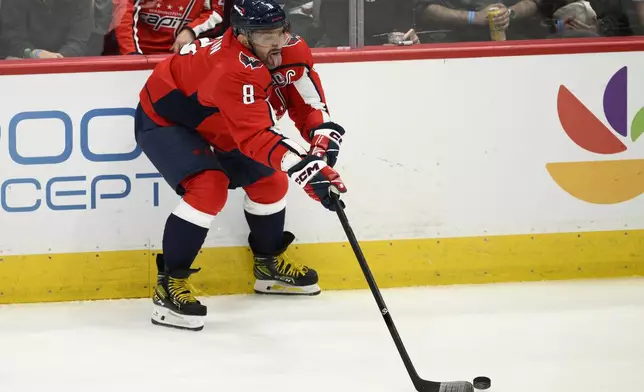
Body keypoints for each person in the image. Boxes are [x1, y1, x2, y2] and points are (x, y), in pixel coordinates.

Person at [135, 0, 348, 331]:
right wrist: (306, 168)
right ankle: (169, 283)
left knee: (271, 181)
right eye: (265, 36)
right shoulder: (231, 68)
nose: (276, 43)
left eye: (280, 32)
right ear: (244, 36)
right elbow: (255, 137)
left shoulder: (291, 47)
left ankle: (268, 265)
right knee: (208, 187)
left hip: (220, 117)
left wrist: (321, 137)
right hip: (168, 117)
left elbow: (306, 101)